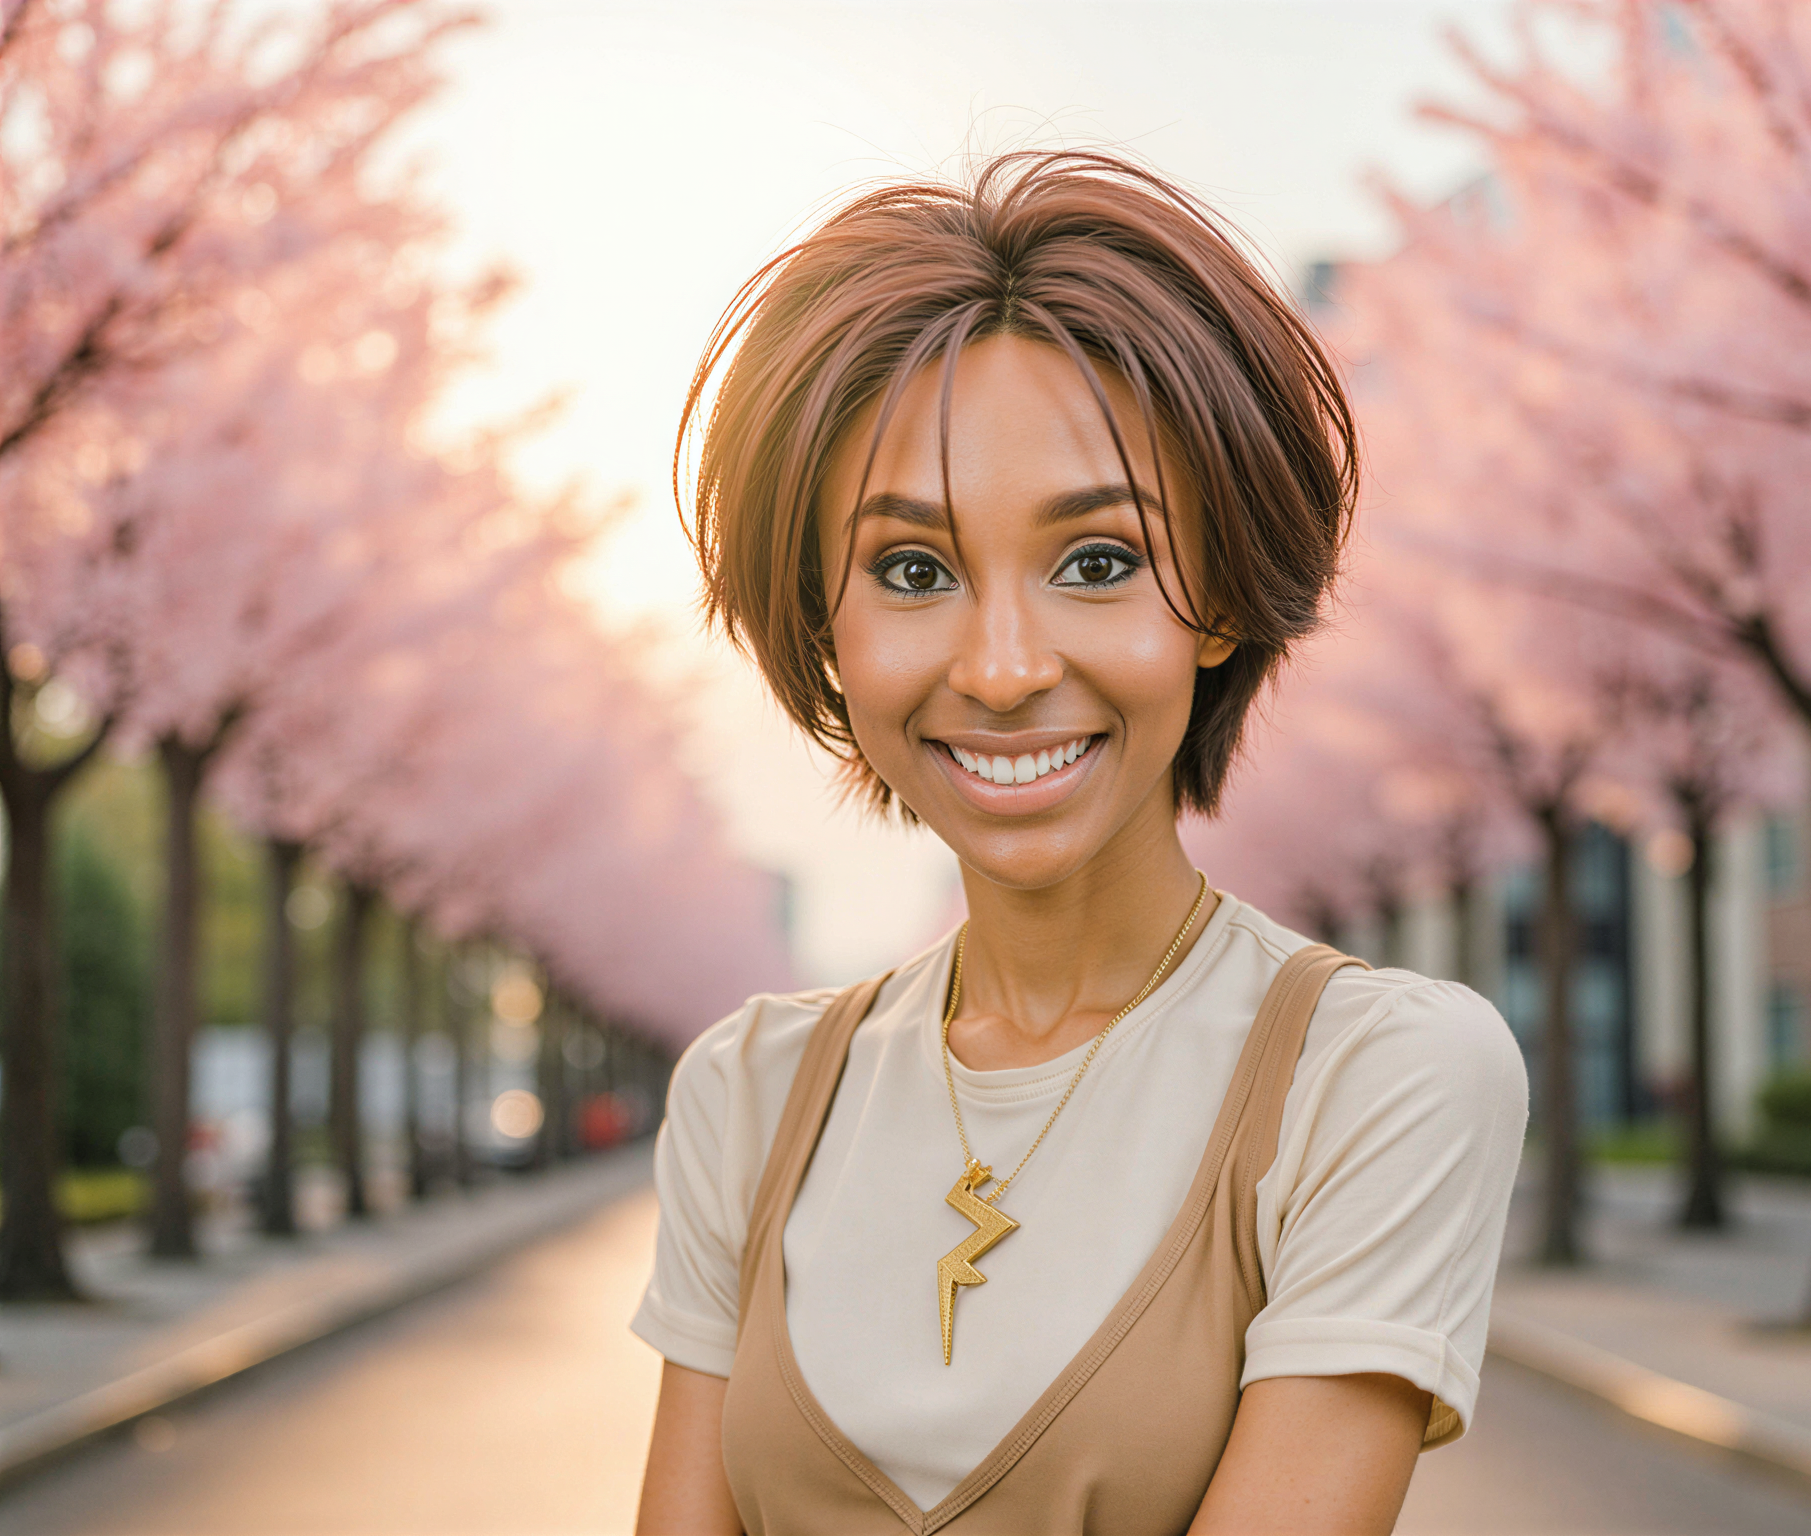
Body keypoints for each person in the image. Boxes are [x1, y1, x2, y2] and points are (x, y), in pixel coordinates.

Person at [632, 150, 1529, 1536]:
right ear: (827, 625)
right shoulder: (746, 1096)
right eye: (912, 571)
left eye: (1098, 562)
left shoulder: (1379, 1077)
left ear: (1218, 598)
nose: (1000, 669)